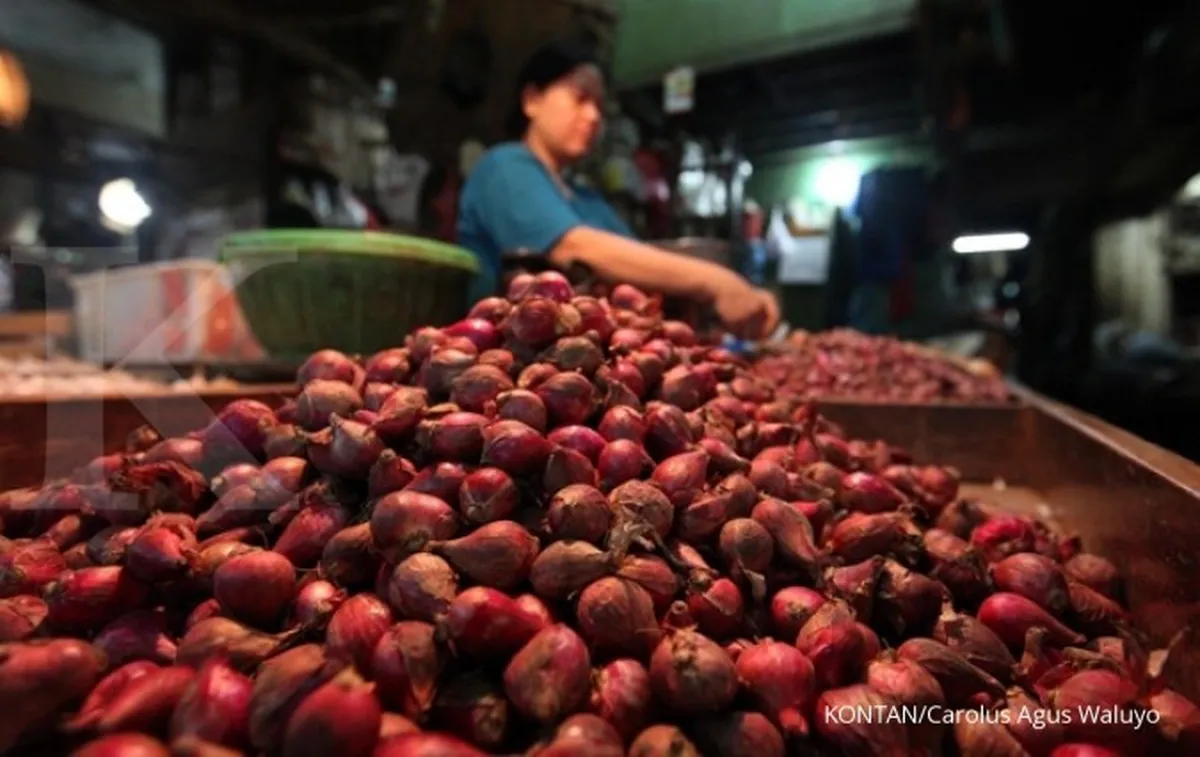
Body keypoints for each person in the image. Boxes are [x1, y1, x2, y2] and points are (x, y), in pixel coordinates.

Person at [457, 38, 779, 339]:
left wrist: (743, 293)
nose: (594, 116)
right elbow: (573, 247)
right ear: (532, 100)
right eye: (581, 98)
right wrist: (715, 281)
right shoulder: (504, 168)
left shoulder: (587, 198)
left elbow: (638, 263)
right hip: (510, 367)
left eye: (599, 105)